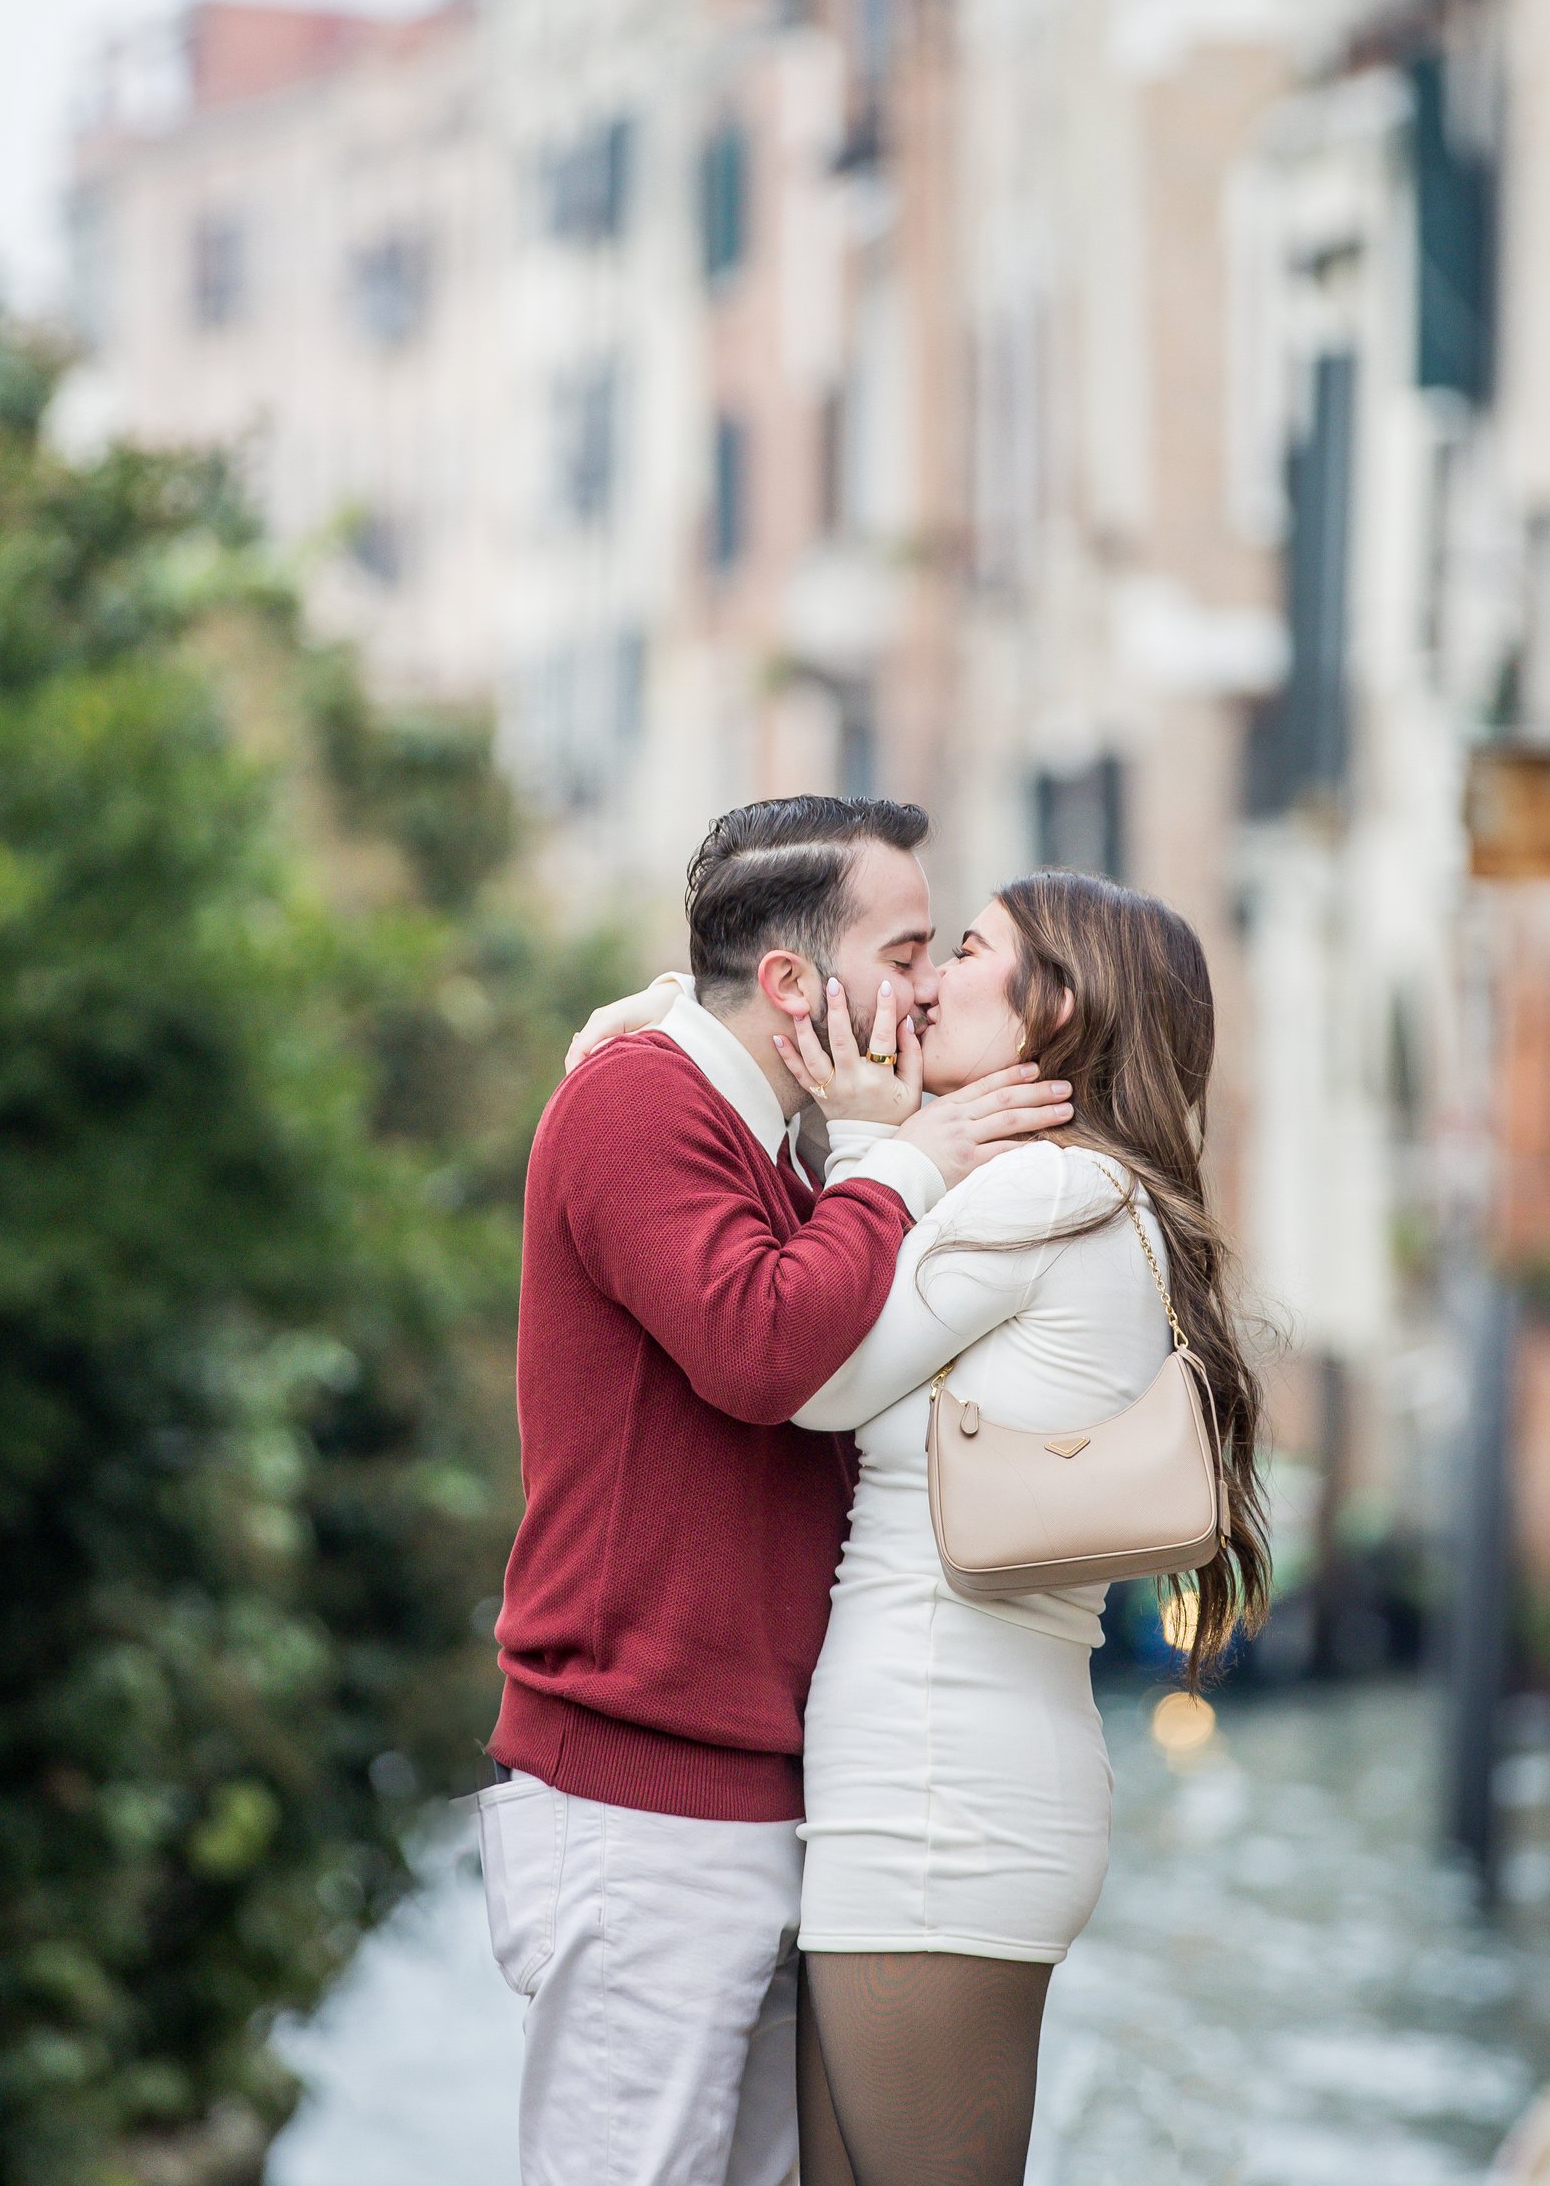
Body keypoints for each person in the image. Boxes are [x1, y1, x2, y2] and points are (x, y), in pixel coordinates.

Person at [579, 870, 1272, 2186]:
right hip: (931, 1778)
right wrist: (694, 1032)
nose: (929, 983)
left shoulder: (1043, 1194)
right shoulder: (1051, 1191)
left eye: (965, 951)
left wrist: (871, 1148)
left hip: (941, 1792)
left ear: (1053, 1007)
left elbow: (813, 1374)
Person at [478, 796, 1076, 2186]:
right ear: (798, 983)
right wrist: (911, 1166)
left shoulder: (786, 1133)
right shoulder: (639, 1099)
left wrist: (886, 1151)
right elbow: (757, 1346)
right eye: (911, 947)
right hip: (638, 1794)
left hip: (748, 1790)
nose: (929, 987)